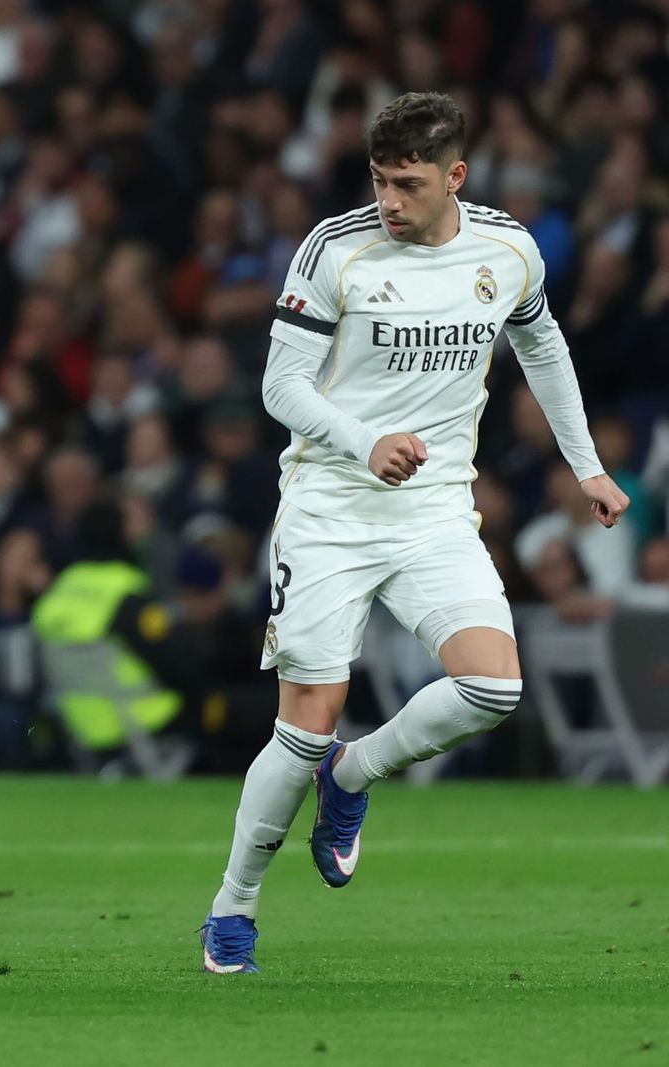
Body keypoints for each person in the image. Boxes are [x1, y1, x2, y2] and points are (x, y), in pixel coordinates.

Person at [200, 93, 631, 974]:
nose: (389, 199)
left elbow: (543, 349)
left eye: (407, 182)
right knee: (302, 727)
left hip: (435, 509)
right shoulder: (336, 248)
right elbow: (281, 387)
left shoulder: (508, 248)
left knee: (493, 688)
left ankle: (353, 775)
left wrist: (585, 465)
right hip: (330, 508)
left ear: (454, 176)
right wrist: (366, 440)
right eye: (379, 179)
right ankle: (233, 905)